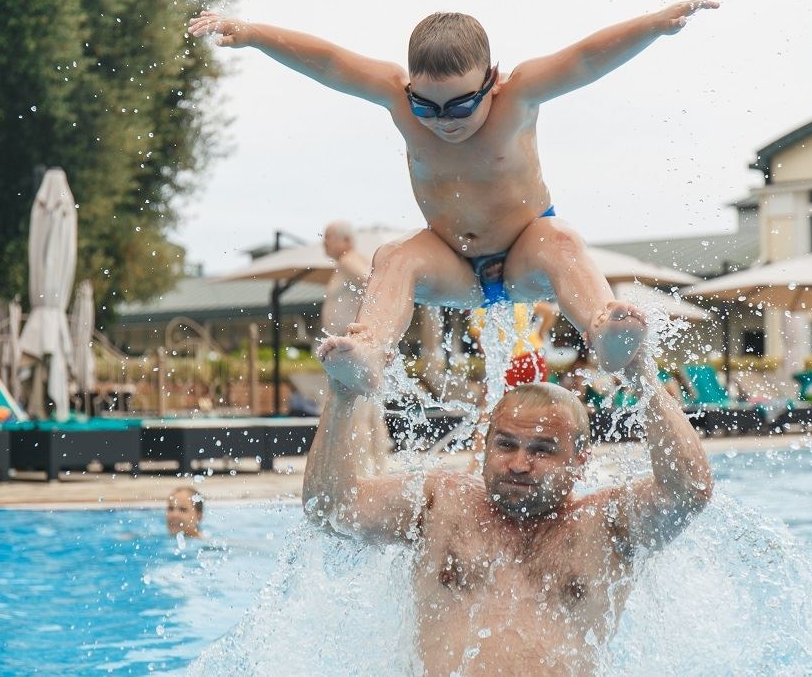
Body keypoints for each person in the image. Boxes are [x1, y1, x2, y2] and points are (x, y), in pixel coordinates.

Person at [188, 1, 719, 397]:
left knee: (561, 240)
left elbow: (584, 59)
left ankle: (605, 330)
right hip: (453, 265)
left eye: (462, 104)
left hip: (523, 256)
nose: (445, 122)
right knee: (392, 257)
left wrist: (651, 26)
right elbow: (330, 62)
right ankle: (368, 351)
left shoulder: (520, 95)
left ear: (490, 80)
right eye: (428, 106)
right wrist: (256, 34)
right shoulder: (397, 97)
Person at [301, 350, 712, 674]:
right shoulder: (438, 503)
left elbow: (689, 490)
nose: (518, 464)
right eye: (505, 445)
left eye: (542, 450)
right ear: (485, 445)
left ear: (581, 460)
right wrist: (342, 394)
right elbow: (331, 509)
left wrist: (640, 374)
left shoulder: (605, 524)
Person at [318, 220, 392, 473]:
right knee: (370, 413)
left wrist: (363, 329)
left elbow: (374, 285)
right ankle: (378, 470)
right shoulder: (349, 262)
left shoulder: (349, 260)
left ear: (345, 241)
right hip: (354, 348)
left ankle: (361, 475)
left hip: (350, 350)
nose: (323, 242)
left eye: (328, 237)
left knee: (356, 414)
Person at [470, 301, 556, 388]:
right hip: (533, 357)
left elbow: (481, 342)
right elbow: (550, 310)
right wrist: (541, 333)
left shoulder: (481, 307)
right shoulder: (519, 299)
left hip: (507, 361)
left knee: (505, 399)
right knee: (539, 397)